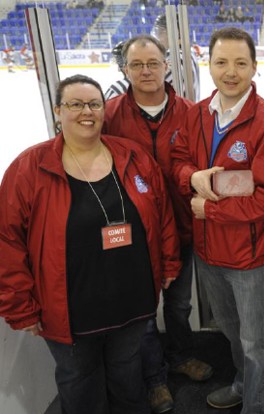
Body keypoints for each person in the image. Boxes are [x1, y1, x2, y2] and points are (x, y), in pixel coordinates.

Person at [0, 74, 181, 414]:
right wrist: (19, 306)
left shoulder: (134, 156)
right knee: (79, 381)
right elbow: (7, 243)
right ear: (58, 111)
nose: (87, 111)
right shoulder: (29, 168)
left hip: (132, 301)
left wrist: (169, 263)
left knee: (128, 374)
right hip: (70, 309)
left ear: (103, 109)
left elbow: (162, 216)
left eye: (94, 104)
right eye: (75, 104)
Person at [171, 27, 264, 413]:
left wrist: (212, 210)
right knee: (231, 329)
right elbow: (177, 160)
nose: (231, 72)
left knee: (256, 341)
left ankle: (260, 407)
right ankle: (245, 384)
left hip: (248, 257)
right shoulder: (196, 114)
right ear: (209, 65)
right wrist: (191, 176)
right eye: (221, 62)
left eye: (241, 63)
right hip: (208, 252)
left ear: (254, 67)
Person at [102, 35, 213, 414]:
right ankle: (154, 378)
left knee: (179, 304)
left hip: (181, 227)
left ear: (167, 66)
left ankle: (181, 355)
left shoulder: (191, 113)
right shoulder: (110, 114)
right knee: (143, 311)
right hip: (133, 232)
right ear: (125, 69)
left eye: (152, 63)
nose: (146, 71)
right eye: (137, 64)